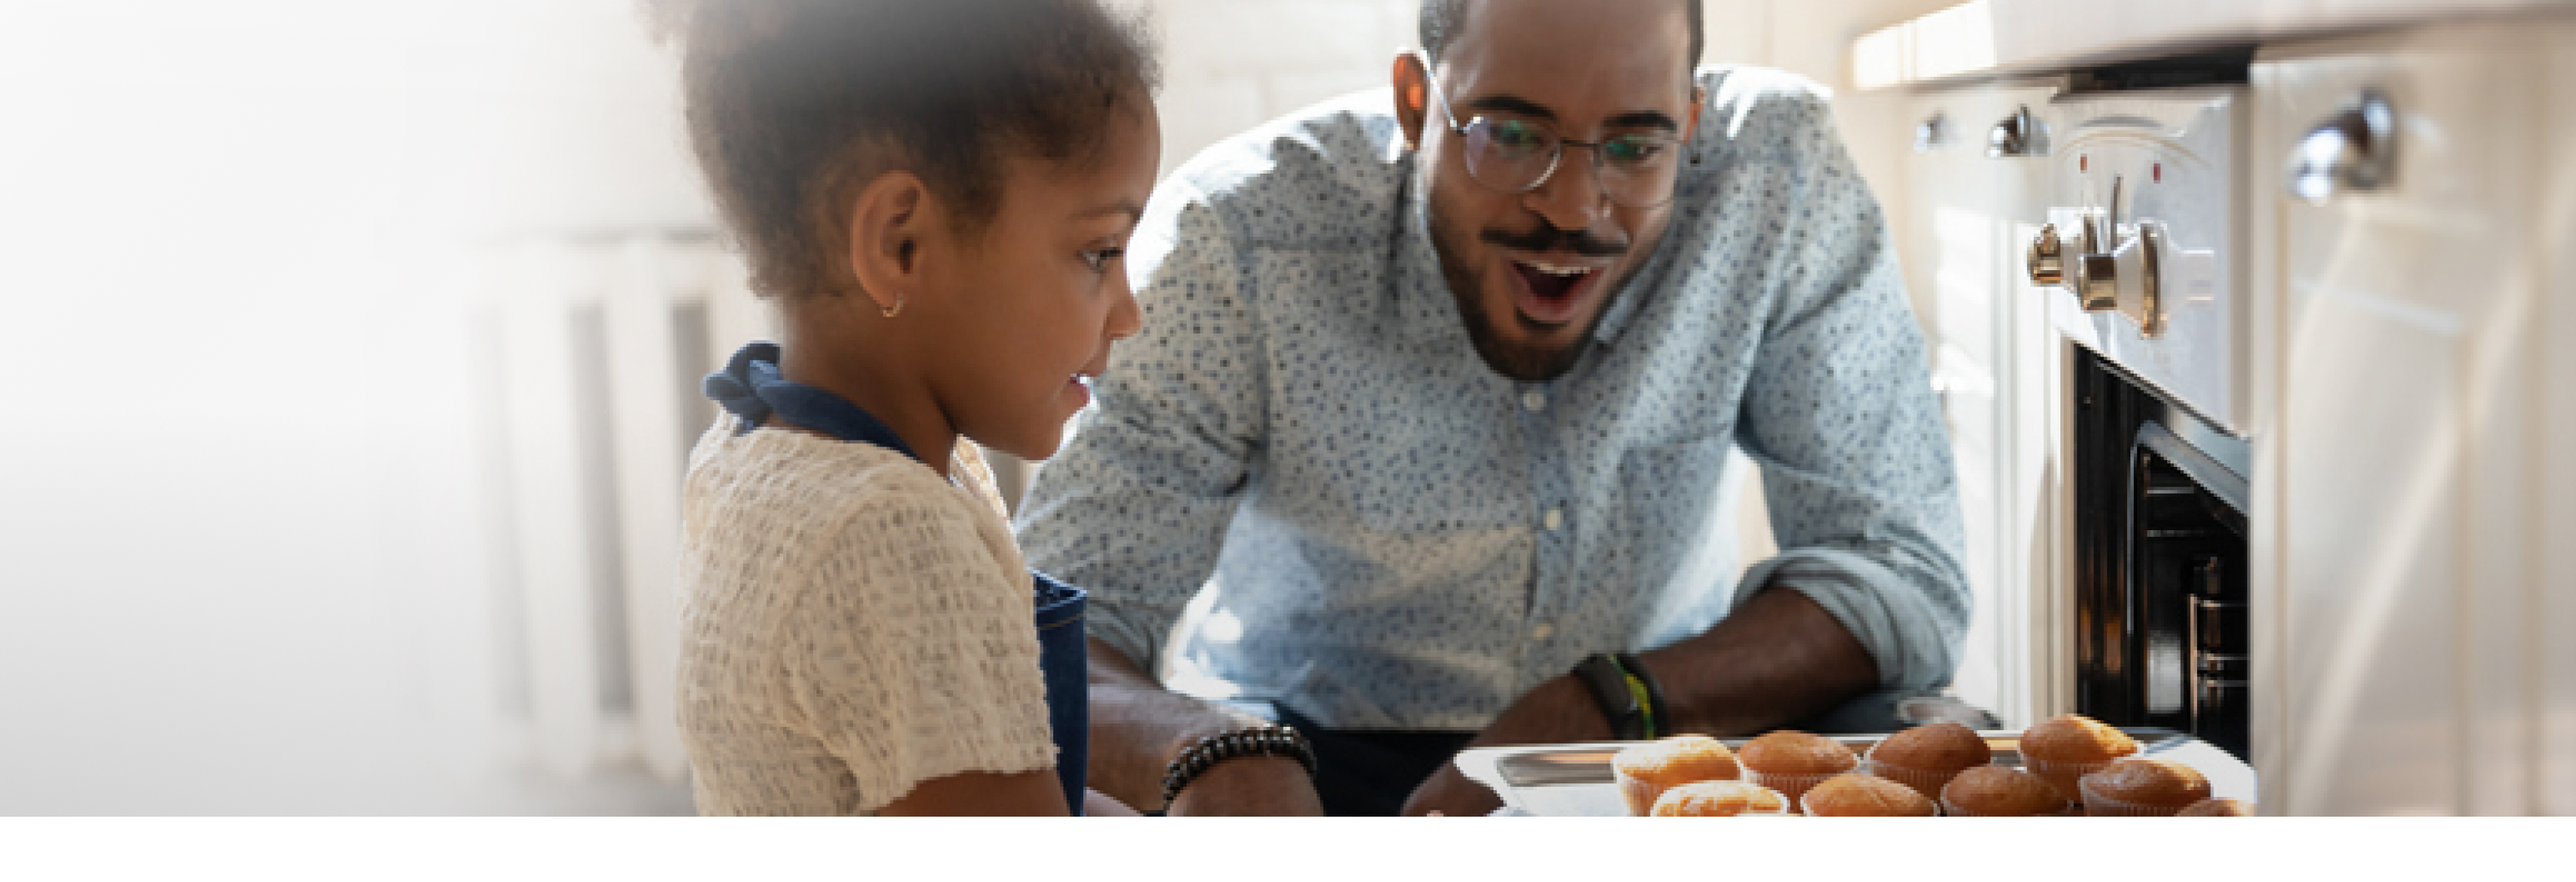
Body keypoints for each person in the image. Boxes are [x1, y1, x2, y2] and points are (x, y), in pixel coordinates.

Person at [1012, 0, 1968, 817]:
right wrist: (1209, 754)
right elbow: (1040, 639)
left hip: (1656, 741)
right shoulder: (1239, 241)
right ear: (1415, 101)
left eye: (1636, 146)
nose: (1574, 209)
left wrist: (1608, 702)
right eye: (1512, 134)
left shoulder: (1781, 178)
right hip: (1304, 766)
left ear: (1691, 118)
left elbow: (1901, 574)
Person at [661, 0, 1161, 815]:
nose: (1128, 311)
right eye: (1098, 253)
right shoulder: (890, 536)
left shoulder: (756, 449)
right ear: (901, 244)